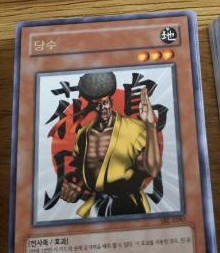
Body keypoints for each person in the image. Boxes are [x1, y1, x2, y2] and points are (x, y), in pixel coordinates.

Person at [60, 72, 161, 217]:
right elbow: (88, 169)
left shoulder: (134, 129)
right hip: (97, 206)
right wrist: (77, 187)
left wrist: (150, 125)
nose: (102, 108)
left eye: (105, 102)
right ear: (91, 106)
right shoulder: (83, 135)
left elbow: (152, 169)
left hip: (128, 205)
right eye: (97, 104)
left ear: (111, 101)